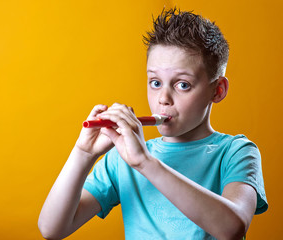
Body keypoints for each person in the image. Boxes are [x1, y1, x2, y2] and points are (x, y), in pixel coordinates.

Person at [38, 8, 268, 240]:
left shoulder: (236, 152)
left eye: (183, 85)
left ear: (217, 90)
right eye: (155, 82)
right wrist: (83, 153)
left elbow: (233, 228)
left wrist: (146, 163)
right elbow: (52, 229)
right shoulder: (123, 158)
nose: (163, 98)